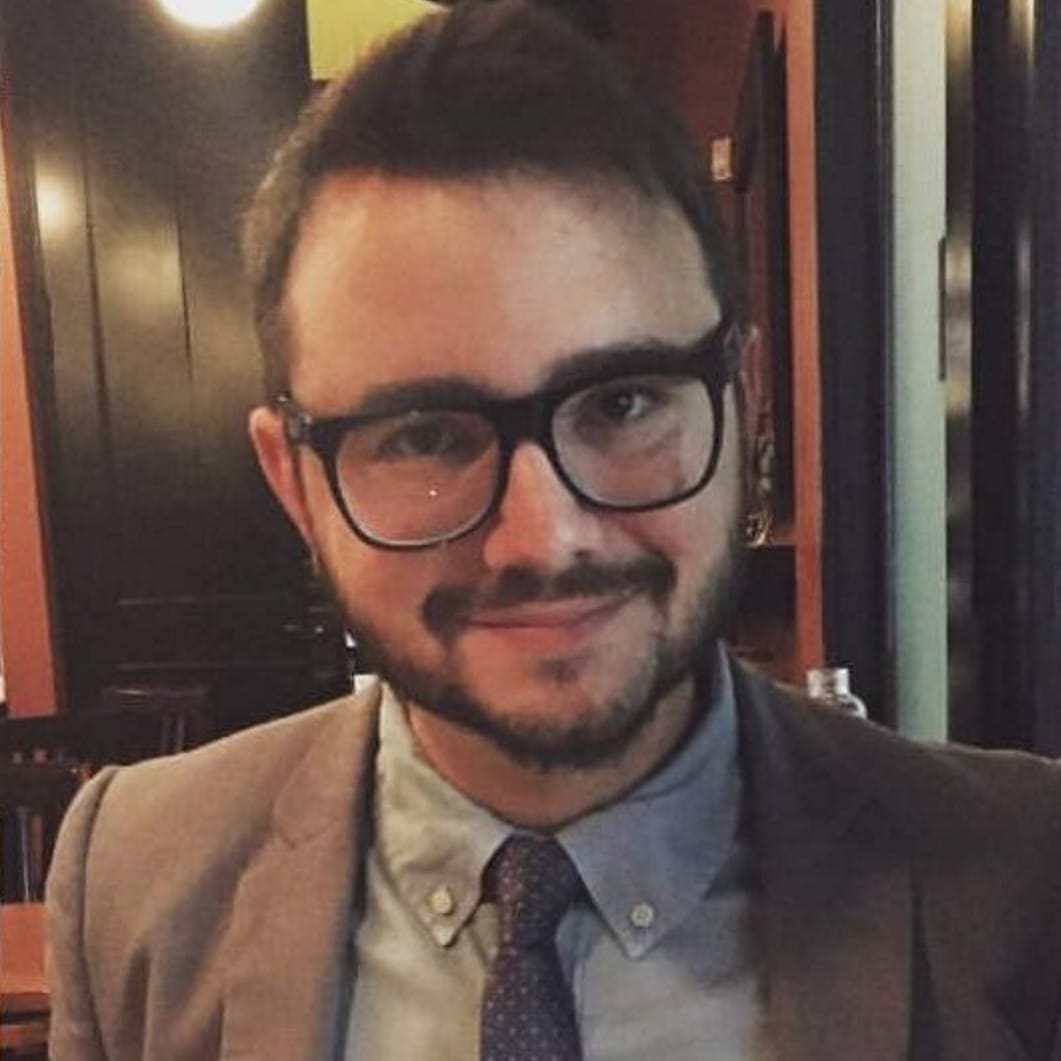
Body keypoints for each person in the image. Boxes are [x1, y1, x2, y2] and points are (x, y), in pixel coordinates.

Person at [46, 3, 1061, 1059]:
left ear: (743, 398)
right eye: (425, 435)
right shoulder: (134, 881)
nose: (543, 539)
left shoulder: (1023, 879)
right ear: (294, 482)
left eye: (621, 403)